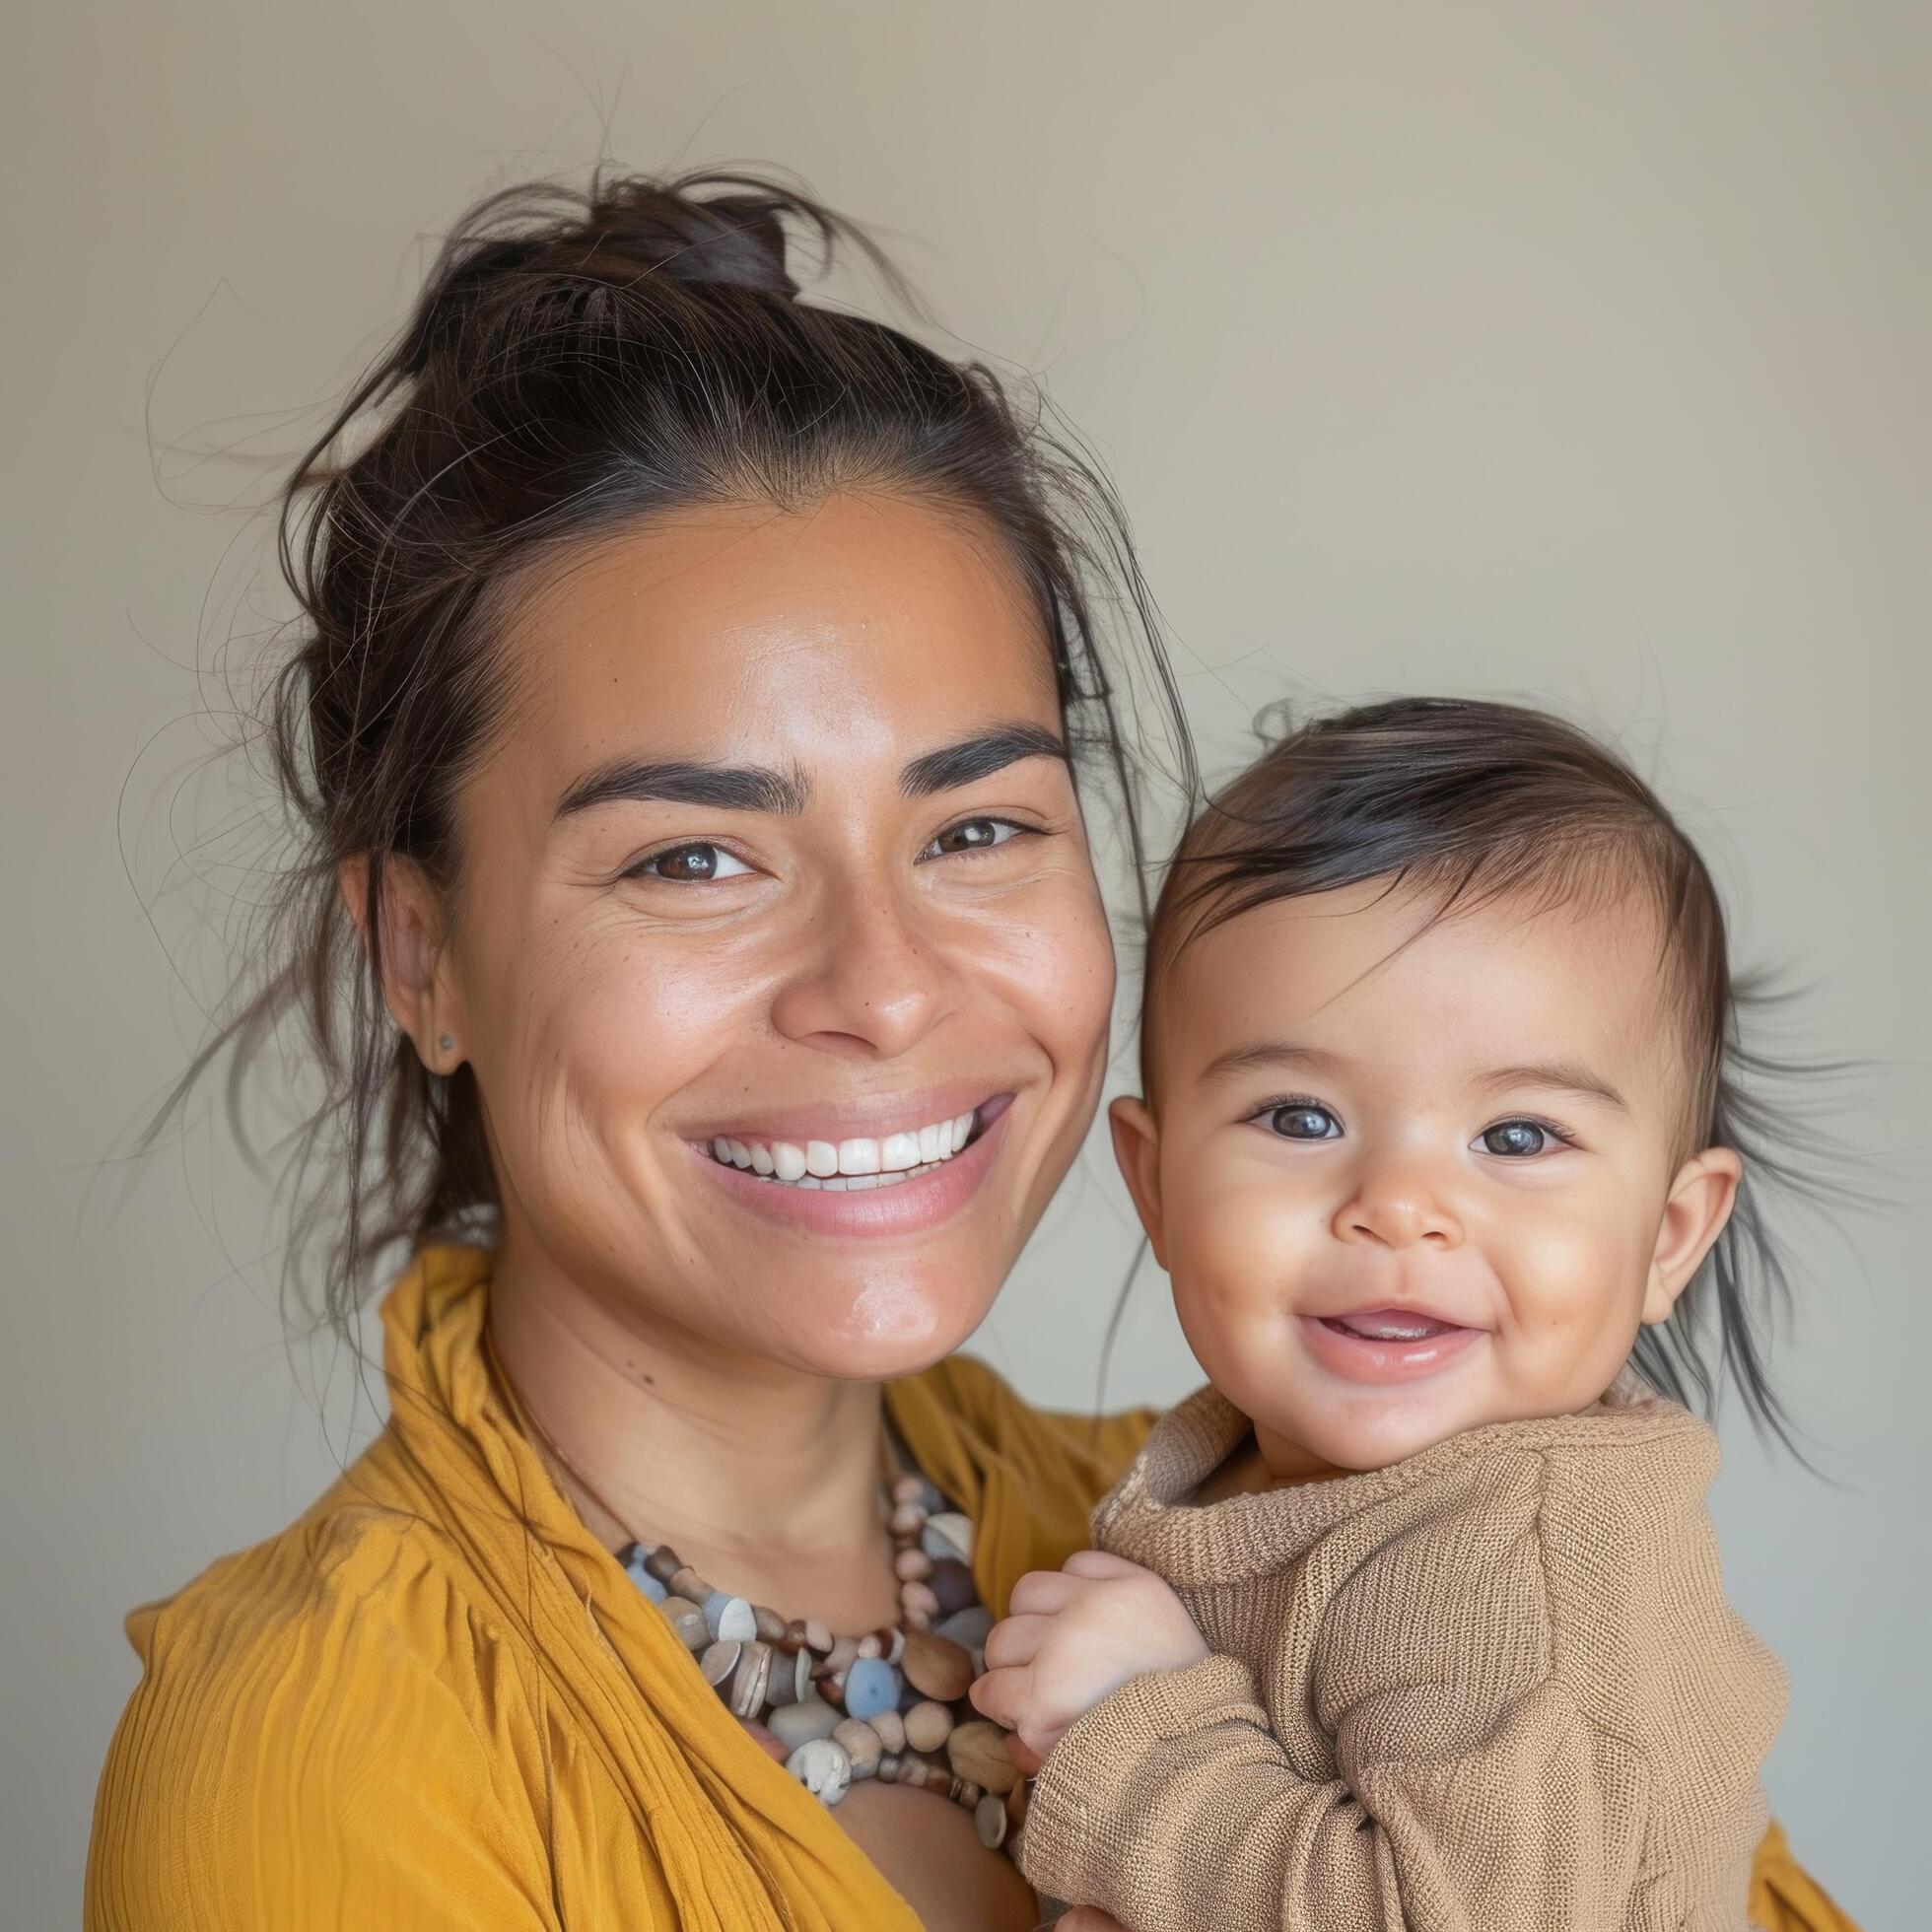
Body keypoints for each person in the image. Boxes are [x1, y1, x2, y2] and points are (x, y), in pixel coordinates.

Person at [85, 165, 1846, 1930]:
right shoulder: (327, 1760)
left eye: (978, 830)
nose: (885, 986)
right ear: (421, 955)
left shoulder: (1286, 1516)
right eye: (696, 857)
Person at [974, 698, 1859, 1931]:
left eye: (1516, 1135)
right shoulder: (1258, 1473)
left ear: (1667, 1237)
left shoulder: (1521, 1569)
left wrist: (1144, 1727)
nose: (1399, 1208)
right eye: (1299, 1117)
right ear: (1157, 1183)